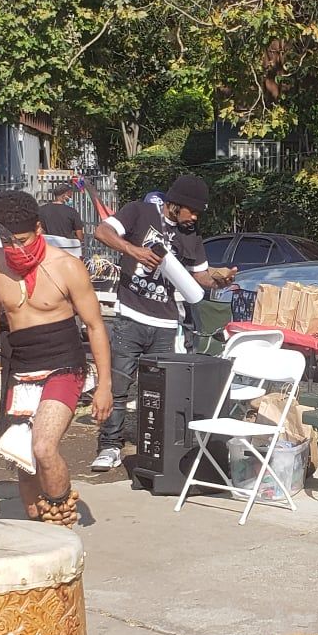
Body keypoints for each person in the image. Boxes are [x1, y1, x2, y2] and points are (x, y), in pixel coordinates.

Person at [0, 191, 113, 525]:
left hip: (64, 363)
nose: (15, 249)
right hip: (20, 365)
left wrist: (105, 385)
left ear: (38, 228)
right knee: (23, 457)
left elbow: (95, 326)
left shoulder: (67, 266)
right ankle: (39, 523)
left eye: (21, 240)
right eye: (7, 241)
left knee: (44, 448)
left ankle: (62, 515)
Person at [89, 174, 237, 472]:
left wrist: (220, 276)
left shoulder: (191, 235)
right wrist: (134, 251)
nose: (194, 217)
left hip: (167, 323)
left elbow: (199, 278)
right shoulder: (139, 212)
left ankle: (152, 448)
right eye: (191, 211)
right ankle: (110, 445)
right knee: (119, 384)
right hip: (130, 315)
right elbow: (101, 232)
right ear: (174, 204)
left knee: (157, 391)